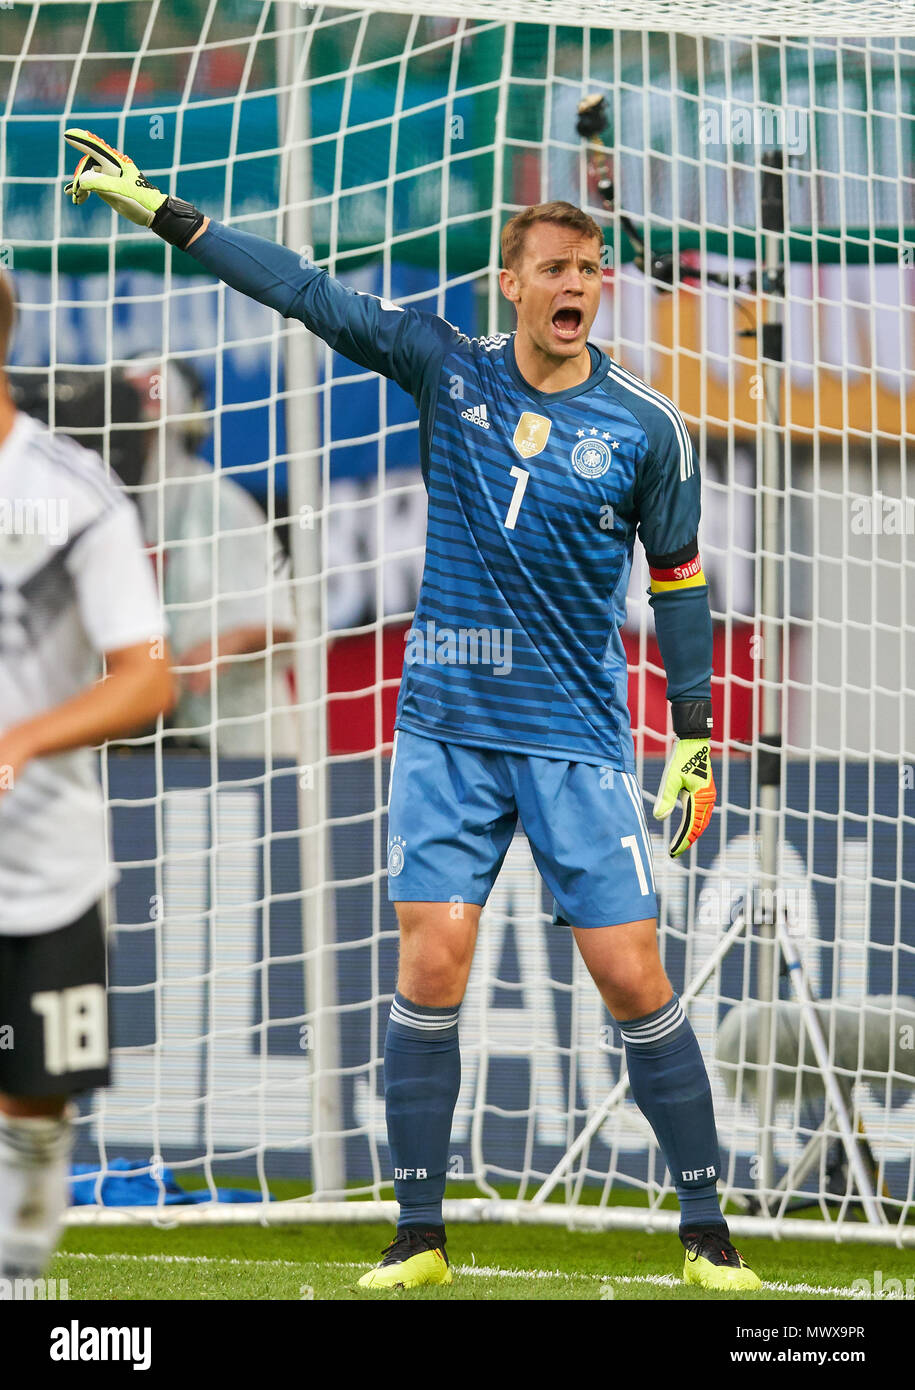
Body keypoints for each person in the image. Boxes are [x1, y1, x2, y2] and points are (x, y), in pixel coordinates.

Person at [64, 129, 760, 1293]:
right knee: (432, 961)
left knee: (634, 974)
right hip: (444, 729)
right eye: (555, 269)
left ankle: (707, 1235)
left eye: (590, 272)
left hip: (578, 739)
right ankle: (419, 1234)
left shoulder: (648, 429)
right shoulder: (448, 364)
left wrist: (692, 730)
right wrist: (174, 217)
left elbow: (680, 579)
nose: (575, 288)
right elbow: (308, 293)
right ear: (515, 281)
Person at [0, 274, 174, 1279]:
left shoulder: (72, 495)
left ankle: (18, 1274)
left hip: (46, 874)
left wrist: (21, 742)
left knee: (32, 1102)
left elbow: (149, 677)